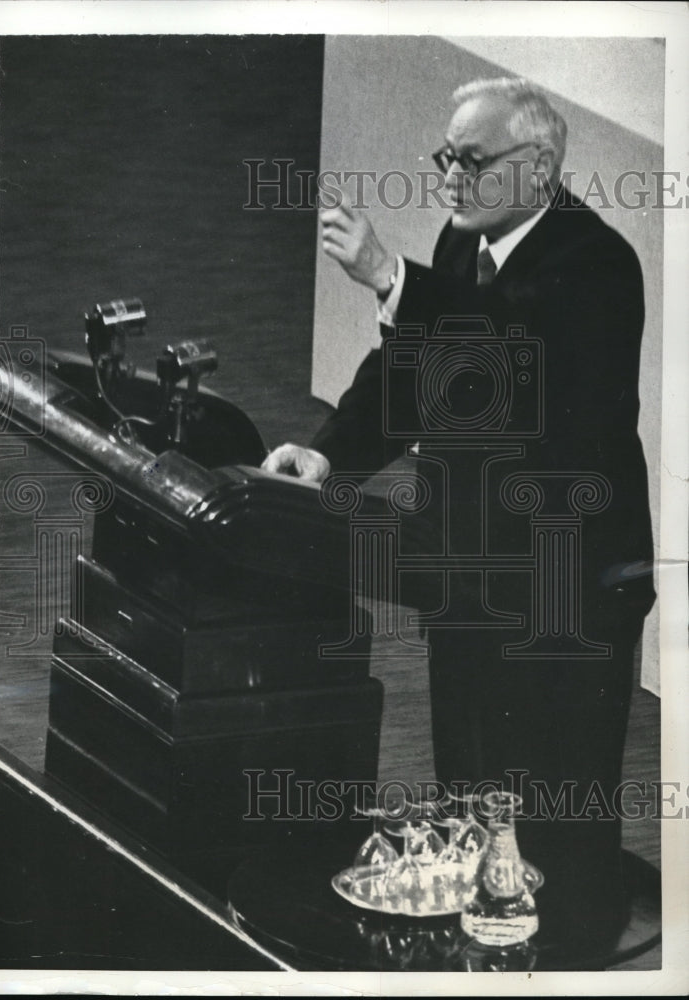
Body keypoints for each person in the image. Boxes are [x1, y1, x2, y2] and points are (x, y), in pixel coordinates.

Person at [263, 77, 655, 947]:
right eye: (445, 157)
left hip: (568, 586)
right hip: (471, 561)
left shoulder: (596, 264)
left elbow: (507, 370)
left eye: (470, 161)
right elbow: (415, 375)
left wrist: (390, 278)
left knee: (555, 802)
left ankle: (573, 954)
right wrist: (331, 451)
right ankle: (480, 939)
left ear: (540, 166)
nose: (449, 177)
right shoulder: (462, 239)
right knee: (473, 780)